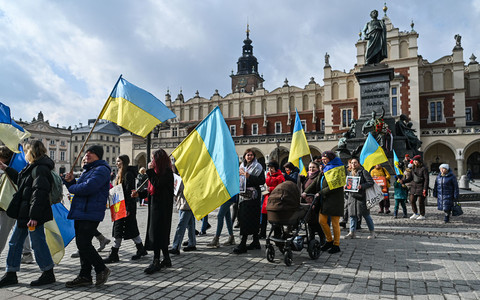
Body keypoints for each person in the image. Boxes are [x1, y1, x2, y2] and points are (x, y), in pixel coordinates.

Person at [0, 141, 56, 287]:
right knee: (15, 242)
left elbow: (39, 194)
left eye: (25, 151)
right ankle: (11, 273)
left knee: (38, 244)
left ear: (31, 152)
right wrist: (6, 168)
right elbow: (22, 181)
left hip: (32, 216)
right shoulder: (33, 167)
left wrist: (34, 217)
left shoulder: (41, 169)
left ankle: (48, 273)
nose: (24, 154)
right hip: (25, 214)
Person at [64, 145, 111, 288]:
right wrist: (71, 182)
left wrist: (72, 187)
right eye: (86, 152)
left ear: (98, 155)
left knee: (83, 244)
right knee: (82, 244)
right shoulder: (89, 169)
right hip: (81, 211)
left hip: (91, 212)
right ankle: (85, 275)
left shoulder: (102, 170)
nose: (87, 155)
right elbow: (80, 186)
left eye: (92, 153)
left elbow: (88, 187)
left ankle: (101, 268)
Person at [132, 149, 174, 274]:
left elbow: (158, 184)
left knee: (157, 233)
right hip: (155, 207)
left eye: (152, 159)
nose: (151, 161)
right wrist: (139, 194)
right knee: (159, 233)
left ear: (158, 160)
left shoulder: (166, 172)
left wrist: (149, 171)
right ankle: (166, 258)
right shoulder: (157, 172)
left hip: (162, 208)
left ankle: (156, 261)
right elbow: (151, 191)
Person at [104, 155, 147, 264]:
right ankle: (141, 248)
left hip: (126, 206)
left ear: (123, 162)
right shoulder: (120, 174)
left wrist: (128, 207)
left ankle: (114, 253)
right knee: (129, 228)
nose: (116, 163)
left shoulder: (128, 175)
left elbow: (129, 192)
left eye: (118, 161)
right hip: (120, 205)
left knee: (120, 228)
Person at [303, 151, 344, 254]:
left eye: (325, 158)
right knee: (322, 221)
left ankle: (336, 244)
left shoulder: (338, 168)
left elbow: (333, 186)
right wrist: (305, 192)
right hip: (324, 200)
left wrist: (320, 193)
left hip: (335, 200)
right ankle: (329, 240)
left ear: (331, 158)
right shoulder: (325, 168)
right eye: (322, 159)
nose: (323, 160)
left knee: (335, 223)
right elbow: (317, 181)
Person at [0, 146, 33, 264]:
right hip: (17, 203)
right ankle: (27, 253)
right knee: (20, 228)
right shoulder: (19, 167)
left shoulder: (6, 170)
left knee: (2, 231)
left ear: (4, 157)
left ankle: (27, 253)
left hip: (7, 205)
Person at [233, 149, 265, 254]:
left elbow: (261, 181)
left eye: (251, 155)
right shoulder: (241, 166)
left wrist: (249, 176)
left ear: (254, 156)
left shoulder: (258, 167)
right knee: (243, 218)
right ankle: (256, 242)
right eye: (247, 155)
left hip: (253, 197)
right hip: (243, 196)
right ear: (245, 156)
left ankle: (243, 243)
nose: (249, 156)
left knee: (249, 219)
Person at [344, 157, 376, 239]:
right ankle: (352, 232)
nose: (353, 164)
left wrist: (361, 186)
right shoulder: (350, 173)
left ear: (358, 163)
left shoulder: (363, 172)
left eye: (355, 163)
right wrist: (346, 187)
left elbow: (370, 182)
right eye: (352, 163)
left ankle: (372, 232)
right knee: (352, 215)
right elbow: (348, 183)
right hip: (351, 197)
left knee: (366, 215)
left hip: (361, 197)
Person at [301, 161, 326, 245]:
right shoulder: (308, 176)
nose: (311, 169)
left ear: (318, 168)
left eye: (313, 167)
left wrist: (314, 203)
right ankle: (311, 238)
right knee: (309, 221)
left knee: (315, 222)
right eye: (310, 167)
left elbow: (317, 189)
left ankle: (322, 237)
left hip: (314, 202)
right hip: (307, 202)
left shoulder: (318, 176)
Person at [170, 179, 197, 254]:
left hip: (186, 204)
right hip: (186, 203)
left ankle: (176, 246)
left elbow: (178, 189)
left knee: (181, 225)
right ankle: (192, 243)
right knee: (190, 225)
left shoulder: (185, 177)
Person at [259, 161, 285, 239]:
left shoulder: (280, 177)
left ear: (276, 168)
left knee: (275, 218)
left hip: (275, 200)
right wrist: (263, 190)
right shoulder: (267, 176)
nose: (270, 169)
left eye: (272, 168)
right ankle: (262, 233)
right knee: (264, 217)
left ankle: (277, 233)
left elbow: (281, 188)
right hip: (266, 199)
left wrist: (270, 189)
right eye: (269, 168)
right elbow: (263, 185)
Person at [401, 155, 429, 220]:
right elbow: (410, 178)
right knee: (412, 200)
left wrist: (425, 188)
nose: (415, 162)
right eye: (414, 161)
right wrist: (403, 181)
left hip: (421, 186)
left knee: (420, 202)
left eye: (416, 161)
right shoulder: (413, 168)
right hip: (414, 187)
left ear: (419, 161)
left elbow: (426, 179)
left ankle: (422, 214)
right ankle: (415, 213)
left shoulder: (424, 169)